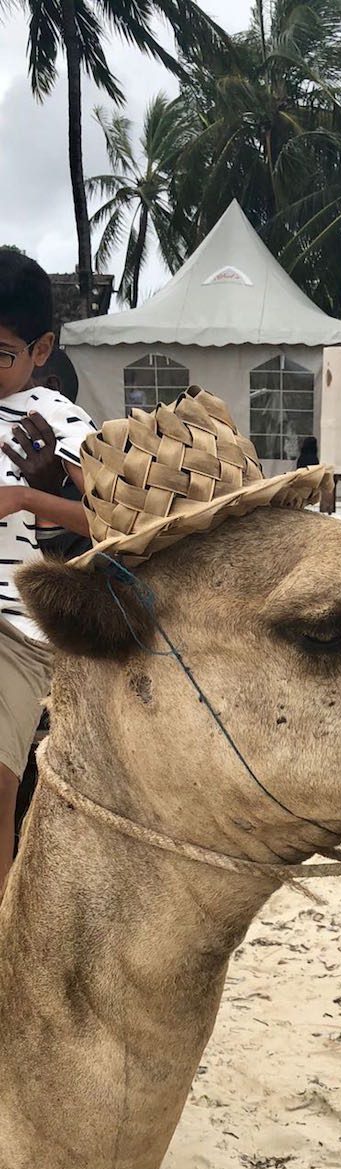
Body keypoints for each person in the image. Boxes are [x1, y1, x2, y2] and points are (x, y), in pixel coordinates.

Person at [0, 248, 94, 893]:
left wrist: (29, 497)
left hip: (13, 624)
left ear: (41, 349)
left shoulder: (54, 416)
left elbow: (116, 520)